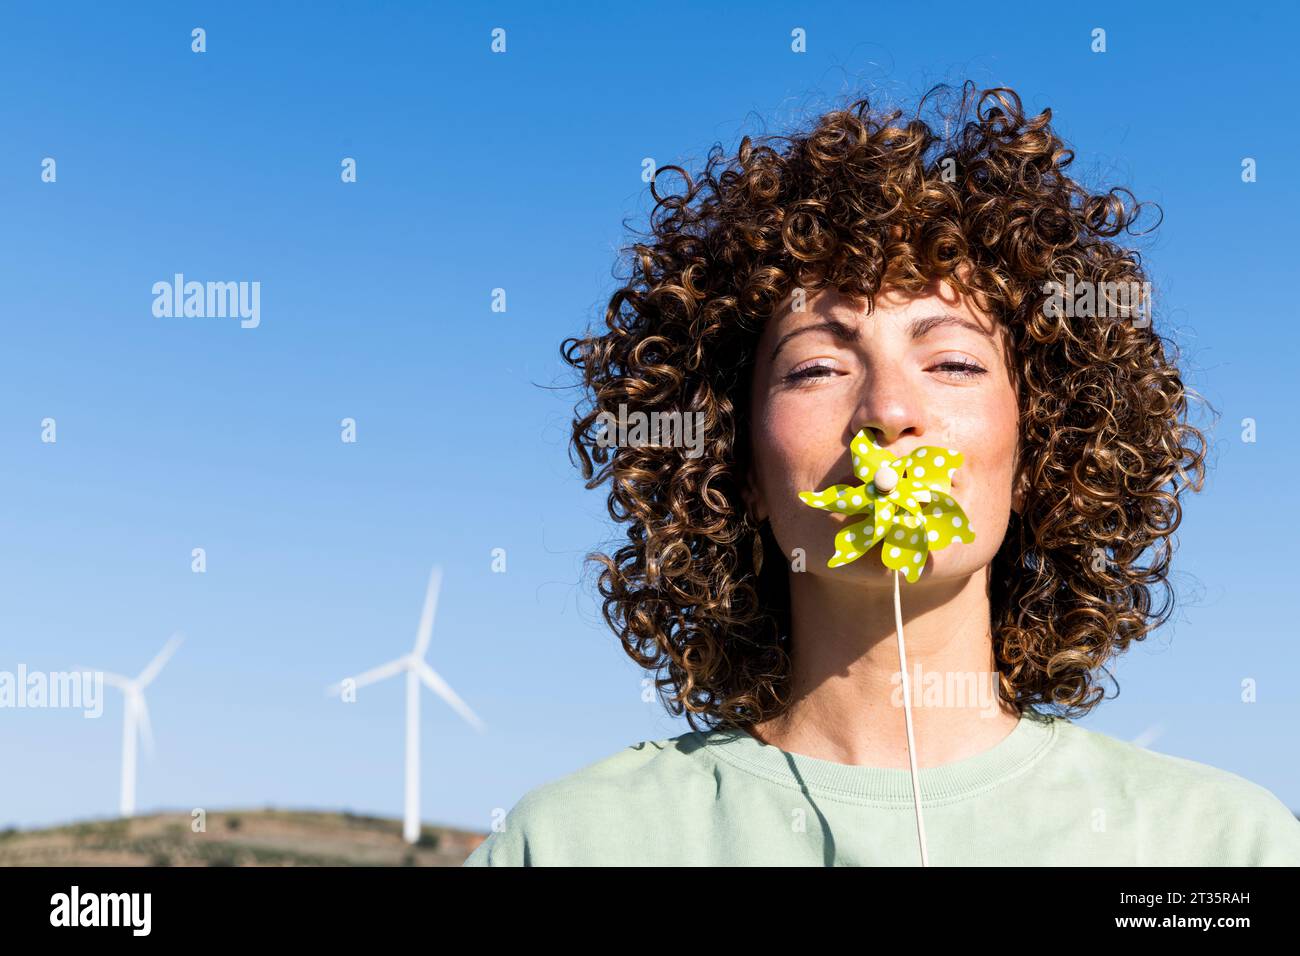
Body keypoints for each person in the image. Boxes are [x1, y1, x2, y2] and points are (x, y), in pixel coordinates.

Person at [463, 83, 1300, 866]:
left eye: (955, 363)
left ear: (1043, 450)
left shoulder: (1220, 848)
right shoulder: (576, 845)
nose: (887, 411)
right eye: (818, 368)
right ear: (732, 463)